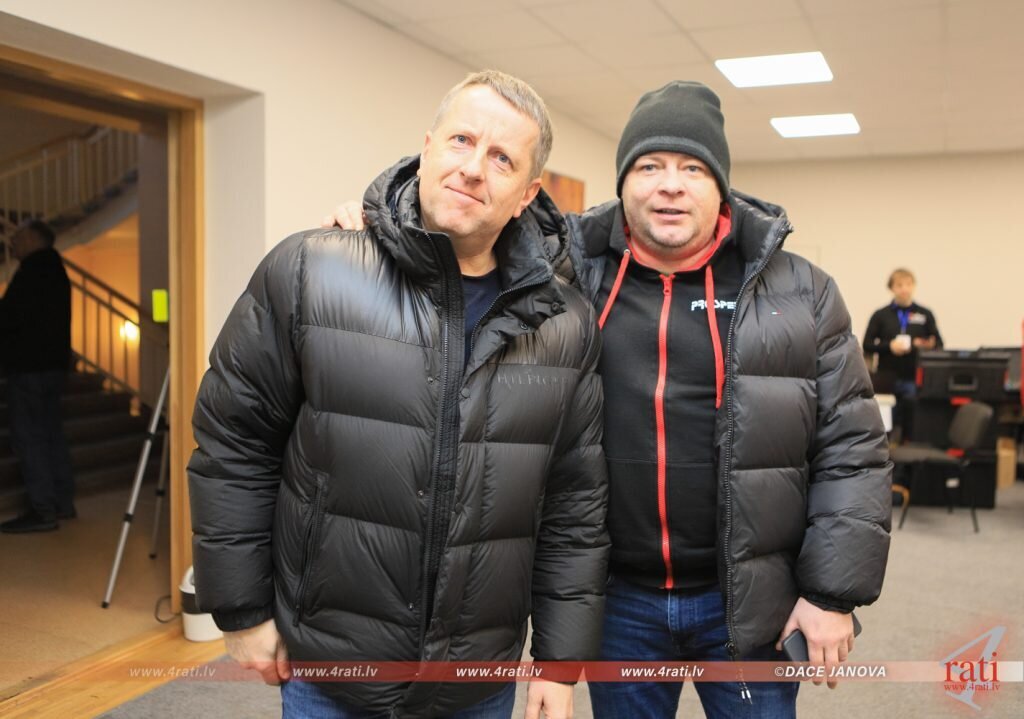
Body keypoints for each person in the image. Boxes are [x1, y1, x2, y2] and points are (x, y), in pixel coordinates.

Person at [329, 80, 892, 718]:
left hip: (748, 599)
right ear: (623, 182)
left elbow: (853, 449)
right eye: (649, 166)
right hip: (618, 600)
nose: (670, 185)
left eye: (693, 168)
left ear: (722, 187)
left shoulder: (799, 292)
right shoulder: (564, 269)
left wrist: (830, 593)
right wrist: (376, 233)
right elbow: (463, 233)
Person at [188, 70, 609, 719]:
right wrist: (241, 608)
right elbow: (234, 443)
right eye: (462, 140)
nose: (474, 168)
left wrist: (559, 660)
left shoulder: (565, 325)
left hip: (475, 678)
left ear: (527, 194)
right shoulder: (311, 270)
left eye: (502, 158)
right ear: (428, 146)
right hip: (330, 667)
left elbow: (573, 506)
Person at [0, 219, 75, 533]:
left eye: (17, 237)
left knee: (30, 436)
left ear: (33, 239)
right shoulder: (56, 271)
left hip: (29, 367)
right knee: (50, 433)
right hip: (53, 366)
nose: (12, 243)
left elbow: (10, 317)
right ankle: (62, 502)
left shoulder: (32, 272)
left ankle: (43, 509)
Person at [863, 268, 942, 438]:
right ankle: (884, 447)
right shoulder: (881, 315)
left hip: (913, 376)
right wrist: (889, 346)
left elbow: (938, 344)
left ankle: (907, 446)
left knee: (911, 417)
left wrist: (923, 344)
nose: (904, 289)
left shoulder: (924, 314)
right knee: (884, 420)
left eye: (908, 284)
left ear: (914, 286)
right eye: (899, 285)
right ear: (892, 288)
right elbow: (867, 344)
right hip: (886, 377)